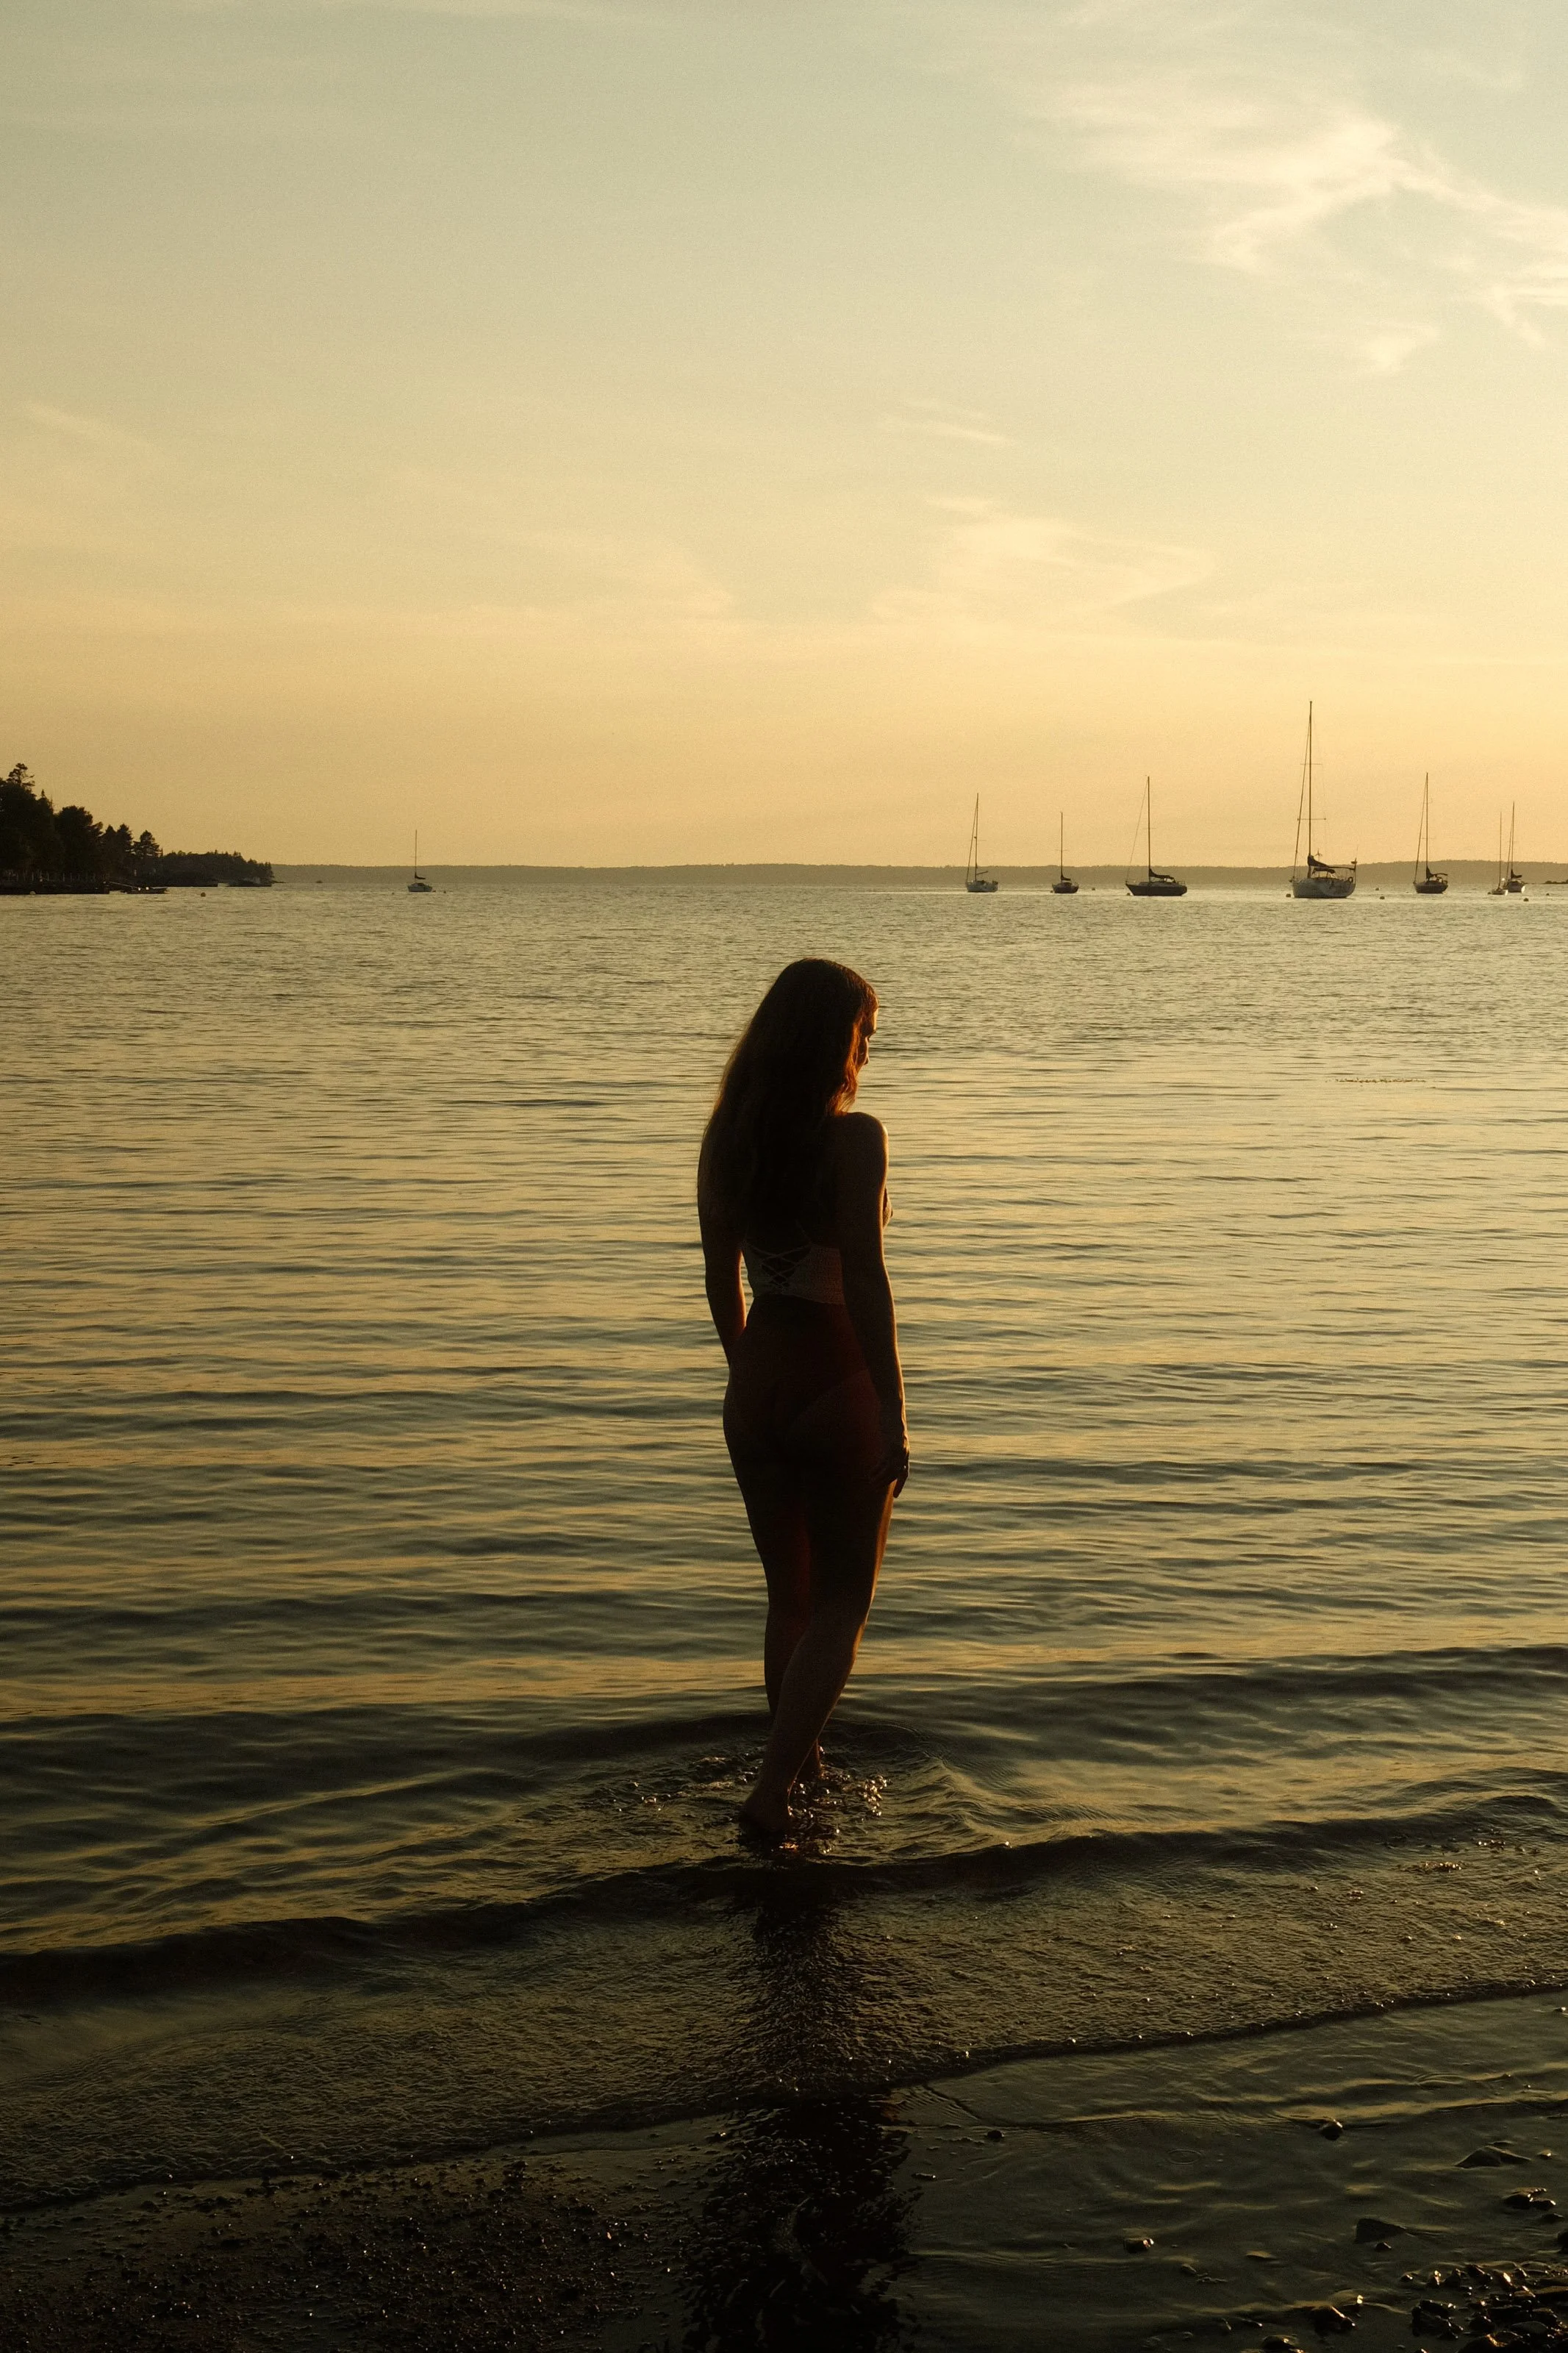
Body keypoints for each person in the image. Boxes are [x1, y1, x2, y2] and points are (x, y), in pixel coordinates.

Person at [698, 958, 909, 1840]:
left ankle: (802, 1765)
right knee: (843, 1605)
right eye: (864, 1028)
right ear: (834, 1040)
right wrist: (893, 1414)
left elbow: (720, 1280)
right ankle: (770, 1792)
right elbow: (863, 1277)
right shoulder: (854, 1140)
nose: (871, 1043)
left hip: (755, 1387)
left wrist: (749, 1369)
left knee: (788, 1597)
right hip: (833, 1378)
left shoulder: (727, 1139)